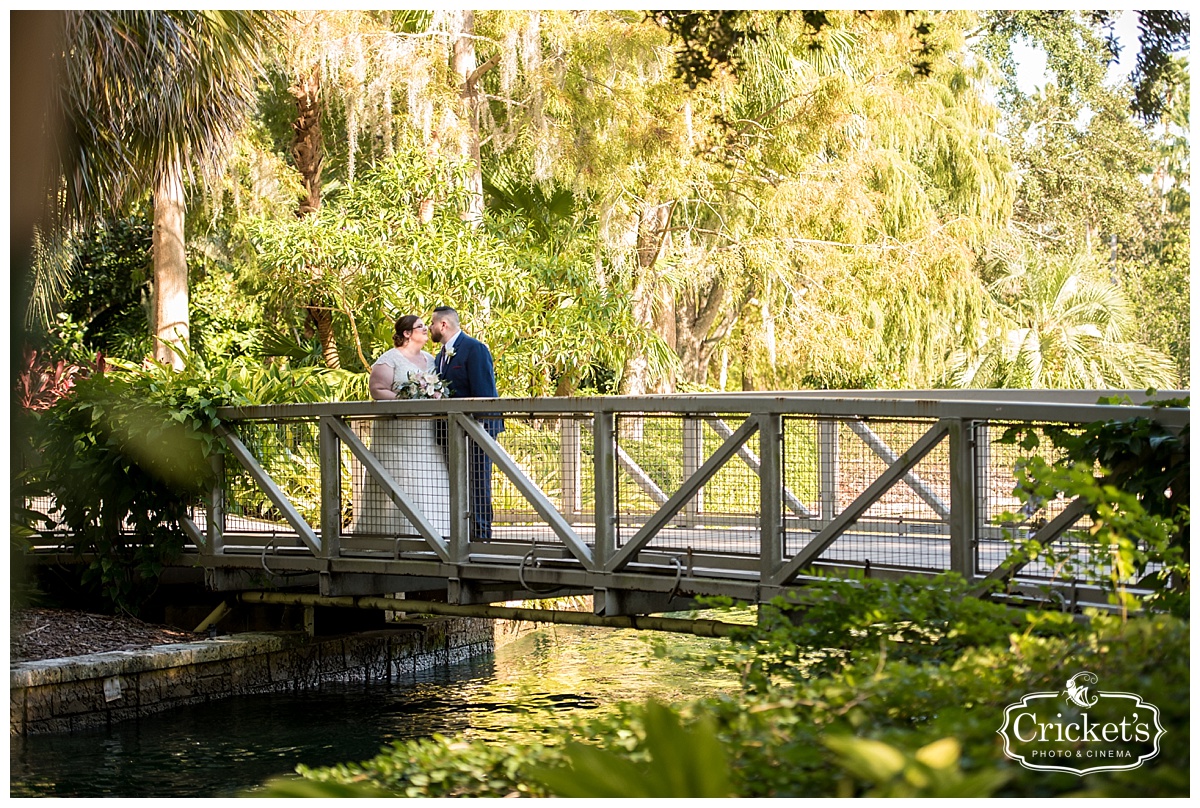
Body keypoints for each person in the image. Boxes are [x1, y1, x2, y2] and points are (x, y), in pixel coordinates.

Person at [350, 314, 450, 537]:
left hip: (425, 433)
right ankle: (394, 538)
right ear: (406, 333)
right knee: (399, 481)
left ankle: (436, 536)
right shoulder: (390, 359)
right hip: (396, 435)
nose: (426, 329)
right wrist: (406, 401)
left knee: (429, 480)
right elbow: (377, 390)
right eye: (420, 327)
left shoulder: (430, 359)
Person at [428, 306, 503, 542]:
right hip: (451, 432)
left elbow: (485, 394)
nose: (429, 328)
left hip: (476, 430)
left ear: (443, 325)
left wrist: (480, 430)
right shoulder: (440, 356)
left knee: (479, 483)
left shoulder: (474, 349)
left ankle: (482, 538)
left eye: (431, 324)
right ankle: (463, 536)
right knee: (459, 486)